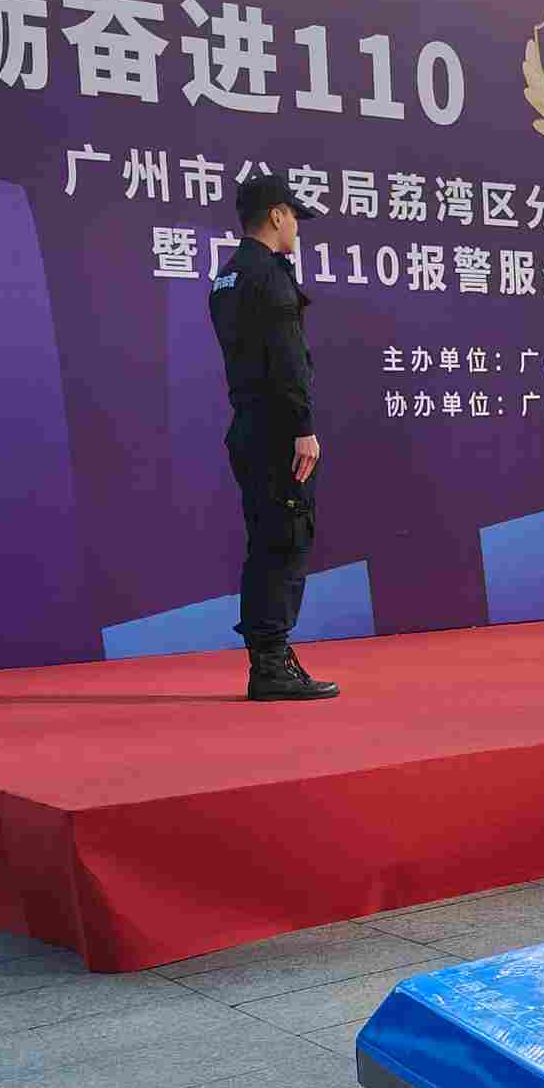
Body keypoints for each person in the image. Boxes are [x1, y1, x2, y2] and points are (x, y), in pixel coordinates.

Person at [210, 171, 339, 700]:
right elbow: (287, 361)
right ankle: (271, 665)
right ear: (277, 215)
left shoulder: (228, 277)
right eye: (294, 218)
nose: (297, 230)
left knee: (266, 541)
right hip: (278, 433)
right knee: (285, 540)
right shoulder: (269, 276)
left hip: (248, 426)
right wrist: (303, 428)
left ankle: (268, 659)